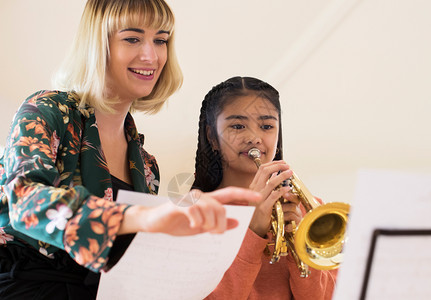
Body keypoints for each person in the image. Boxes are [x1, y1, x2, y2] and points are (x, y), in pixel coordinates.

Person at [0, 2, 261, 299]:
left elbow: (131, 263)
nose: (151, 55)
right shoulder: (47, 110)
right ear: (98, 45)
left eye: (160, 40)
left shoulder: (147, 167)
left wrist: (185, 220)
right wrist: (142, 216)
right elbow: (24, 200)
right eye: (132, 38)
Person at [192, 76, 337, 300]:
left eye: (267, 126)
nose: (254, 138)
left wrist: (303, 250)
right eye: (238, 126)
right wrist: (253, 232)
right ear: (212, 136)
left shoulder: (311, 210)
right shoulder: (192, 215)